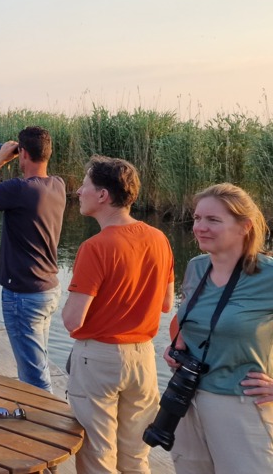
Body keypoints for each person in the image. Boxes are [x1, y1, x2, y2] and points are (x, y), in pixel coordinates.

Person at [61, 156, 175, 474]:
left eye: (85, 185)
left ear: (103, 196)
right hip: (143, 359)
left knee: (98, 454)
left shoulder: (96, 247)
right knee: (136, 456)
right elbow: (166, 304)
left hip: (98, 359)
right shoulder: (159, 239)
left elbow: (73, 320)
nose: (79, 191)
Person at [164, 183, 273, 473]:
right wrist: (177, 347)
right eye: (198, 218)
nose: (200, 227)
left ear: (244, 226)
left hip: (240, 405)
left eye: (213, 220)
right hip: (186, 400)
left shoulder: (268, 276)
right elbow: (191, 321)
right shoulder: (197, 267)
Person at [0, 126, 65, 392]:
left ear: (22, 154)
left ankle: (44, 426)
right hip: (48, 288)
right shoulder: (58, 185)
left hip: (23, 293)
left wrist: (0, 159)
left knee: (33, 376)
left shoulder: (21, 189)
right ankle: (42, 417)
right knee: (39, 364)